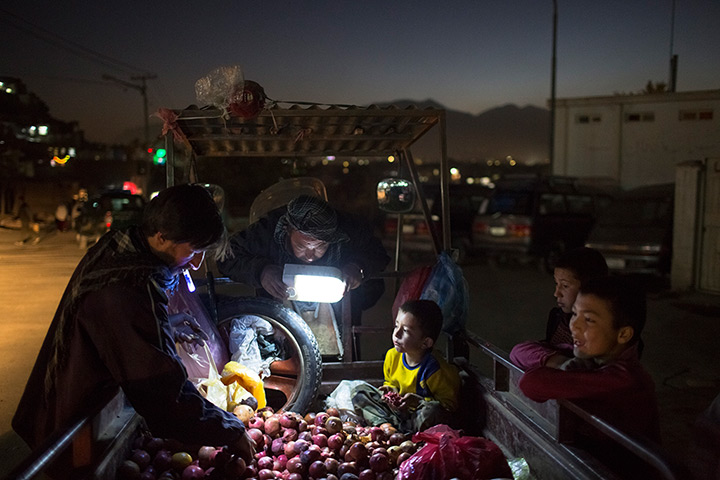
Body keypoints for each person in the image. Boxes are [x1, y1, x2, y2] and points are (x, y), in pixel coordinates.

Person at [12, 184, 254, 477]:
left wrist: (164, 323)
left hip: (68, 397)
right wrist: (229, 429)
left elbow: (112, 327)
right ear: (162, 237)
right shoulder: (131, 285)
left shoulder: (123, 244)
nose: (196, 263)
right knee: (73, 471)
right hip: (72, 415)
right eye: (193, 250)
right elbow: (161, 393)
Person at [511, 276, 660, 474]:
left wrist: (567, 369)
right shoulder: (592, 357)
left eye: (589, 320)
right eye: (574, 314)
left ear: (623, 334)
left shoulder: (625, 380)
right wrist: (558, 361)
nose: (575, 326)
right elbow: (519, 351)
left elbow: (531, 383)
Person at [217, 194, 390, 329]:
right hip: (278, 325)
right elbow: (226, 255)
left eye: (320, 246)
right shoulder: (266, 231)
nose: (310, 255)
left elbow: (378, 254)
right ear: (287, 230)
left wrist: (358, 268)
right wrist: (261, 271)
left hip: (339, 324)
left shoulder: (350, 230)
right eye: (301, 245)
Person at [345, 300, 462, 433]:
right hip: (397, 414)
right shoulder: (392, 356)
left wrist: (419, 402)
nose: (397, 334)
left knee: (431, 411)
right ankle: (387, 428)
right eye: (396, 326)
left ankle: (406, 433)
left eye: (405, 331)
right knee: (360, 392)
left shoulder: (435, 369)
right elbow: (390, 382)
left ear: (425, 342)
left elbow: (449, 407)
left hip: (418, 417)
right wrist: (390, 390)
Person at [545, 247, 608, 346]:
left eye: (565, 286)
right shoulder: (557, 317)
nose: (557, 293)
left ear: (589, 287)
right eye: (556, 284)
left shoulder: (606, 331)